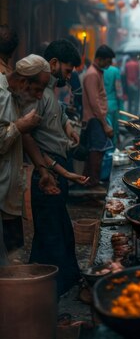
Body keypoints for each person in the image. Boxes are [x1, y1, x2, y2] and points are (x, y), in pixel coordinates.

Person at [22, 40, 84, 297]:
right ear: (54, 64)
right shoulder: (37, 90)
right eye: (68, 71)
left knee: (56, 233)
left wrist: (67, 126)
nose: (69, 77)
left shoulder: (49, 91)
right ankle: (46, 295)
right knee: (52, 235)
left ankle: (51, 289)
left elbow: (56, 112)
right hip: (46, 172)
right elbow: (28, 136)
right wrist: (54, 170)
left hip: (56, 168)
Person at [0, 55, 50, 265]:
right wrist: (19, 126)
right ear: (22, 82)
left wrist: (44, 169)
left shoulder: (15, 96)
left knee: (13, 259)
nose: (39, 97)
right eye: (37, 90)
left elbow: (24, 138)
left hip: (9, 193)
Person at [82, 45, 115, 188]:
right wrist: (105, 124)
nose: (109, 65)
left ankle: (91, 182)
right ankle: (92, 184)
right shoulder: (92, 74)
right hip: (94, 119)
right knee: (96, 153)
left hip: (97, 118)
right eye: (107, 61)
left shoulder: (97, 72)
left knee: (97, 153)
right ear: (100, 59)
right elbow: (94, 102)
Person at [104, 61, 124, 148]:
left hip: (102, 105)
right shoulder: (115, 71)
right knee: (114, 131)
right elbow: (119, 90)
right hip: (113, 105)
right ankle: (113, 150)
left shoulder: (101, 70)